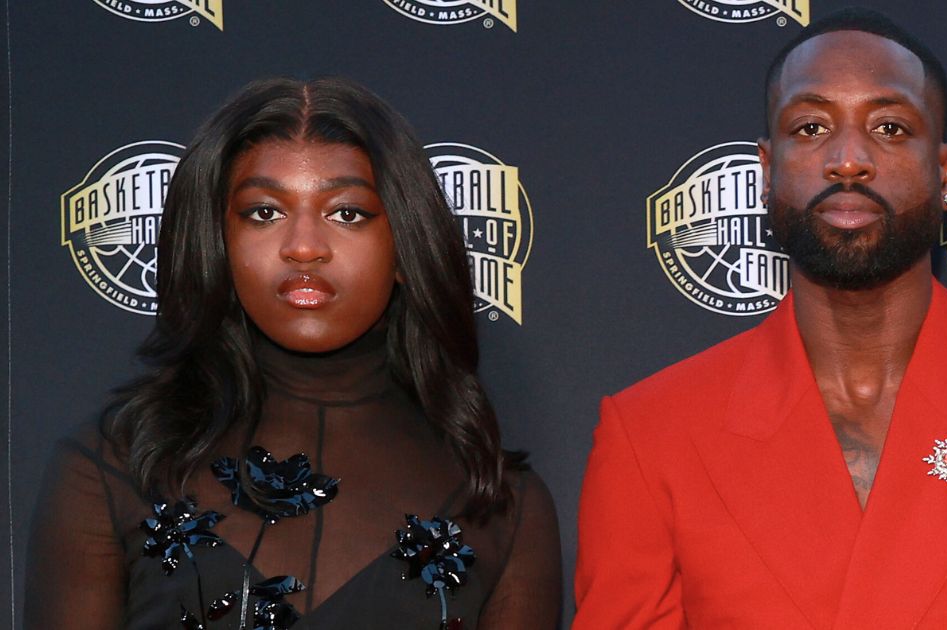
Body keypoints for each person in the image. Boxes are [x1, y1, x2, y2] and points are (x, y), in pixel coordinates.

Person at [574, 9, 947, 628]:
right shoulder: (650, 434)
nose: (847, 159)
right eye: (810, 127)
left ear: (945, 171)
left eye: (890, 128)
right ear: (764, 167)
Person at [26, 77, 561, 630]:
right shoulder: (108, 468)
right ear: (216, 241)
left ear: (406, 245)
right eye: (264, 212)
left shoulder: (502, 505)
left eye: (347, 213)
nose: (304, 246)